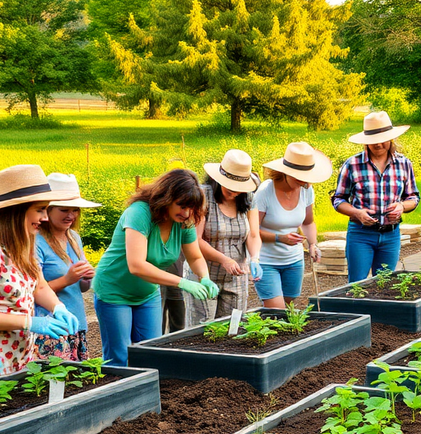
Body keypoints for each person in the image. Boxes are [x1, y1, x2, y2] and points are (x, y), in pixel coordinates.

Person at [0, 165, 80, 376]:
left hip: (19, 355)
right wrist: (29, 322)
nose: (45, 217)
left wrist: (58, 307)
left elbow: (38, 286)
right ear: (18, 210)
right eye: (40, 210)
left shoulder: (24, 242)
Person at [92, 169, 218, 366]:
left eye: (190, 208)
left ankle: (148, 396)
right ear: (167, 197)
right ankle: (120, 395)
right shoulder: (139, 213)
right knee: (119, 357)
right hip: (114, 290)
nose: (185, 213)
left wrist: (204, 277)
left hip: (147, 293)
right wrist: (183, 282)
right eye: (181, 205)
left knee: (151, 353)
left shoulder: (184, 222)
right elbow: (137, 266)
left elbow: (195, 256)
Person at [333, 111, 420, 282]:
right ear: (366, 141)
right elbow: (338, 200)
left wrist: (401, 207)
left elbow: (413, 197)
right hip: (360, 234)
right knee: (357, 285)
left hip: (391, 235)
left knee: (385, 285)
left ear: (391, 139)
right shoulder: (352, 164)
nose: (379, 144)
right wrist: (357, 213)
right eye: (373, 140)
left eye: (383, 139)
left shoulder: (403, 164)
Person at [184, 149, 263, 324]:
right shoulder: (203, 196)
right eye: (230, 186)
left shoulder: (249, 198)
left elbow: (253, 234)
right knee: (203, 328)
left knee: (233, 326)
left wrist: (255, 258)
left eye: (239, 189)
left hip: (236, 276)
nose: (234, 192)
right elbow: (195, 240)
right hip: (204, 274)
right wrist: (224, 260)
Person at [255, 142, 331, 308]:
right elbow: (251, 230)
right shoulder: (265, 192)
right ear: (285, 173)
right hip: (266, 260)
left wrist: (312, 245)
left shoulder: (306, 189)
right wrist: (279, 237)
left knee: (288, 305)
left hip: (294, 260)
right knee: (277, 309)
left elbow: (308, 222)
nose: (305, 183)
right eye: (300, 178)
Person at [34, 173, 99, 362]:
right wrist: (67, 279)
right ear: (47, 210)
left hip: (76, 321)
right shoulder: (35, 241)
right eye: (64, 210)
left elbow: (81, 288)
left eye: (75, 210)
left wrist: (86, 278)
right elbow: (31, 290)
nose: (71, 215)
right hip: (50, 327)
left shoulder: (73, 237)